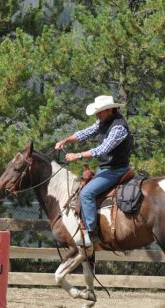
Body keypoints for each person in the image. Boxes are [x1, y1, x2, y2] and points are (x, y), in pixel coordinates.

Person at [55, 95, 133, 248]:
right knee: (82, 189)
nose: (97, 115)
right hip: (106, 168)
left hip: (116, 170)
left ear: (109, 110)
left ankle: (91, 234)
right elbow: (85, 133)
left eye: (100, 111)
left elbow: (102, 149)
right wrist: (66, 140)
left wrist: (77, 155)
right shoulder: (104, 122)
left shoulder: (118, 127)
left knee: (86, 193)